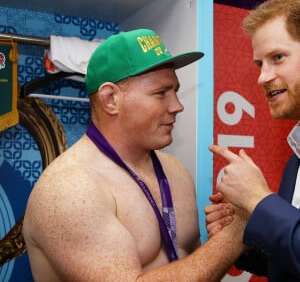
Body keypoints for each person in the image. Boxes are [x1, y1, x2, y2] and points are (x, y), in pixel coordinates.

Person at [23, 28, 245, 282]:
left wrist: (218, 239)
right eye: (161, 93)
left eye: (175, 91)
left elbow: (191, 265)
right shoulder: (70, 189)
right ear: (110, 100)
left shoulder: (174, 170)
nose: (177, 106)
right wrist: (233, 238)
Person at [205, 0, 300, 281]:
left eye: (277, 57)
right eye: (260, 64)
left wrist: (259, 201)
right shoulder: (296, 155)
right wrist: (245, 232)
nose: (262, 77)